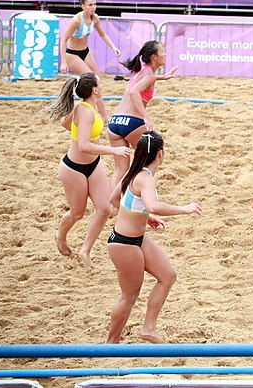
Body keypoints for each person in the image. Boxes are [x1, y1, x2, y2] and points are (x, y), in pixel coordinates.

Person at [106, 131, 203, 343]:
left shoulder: (134, 172)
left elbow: (115, 199)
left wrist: (145, 217)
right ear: (160, 154)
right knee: (129, 295)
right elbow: (153, 205)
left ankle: (149, 328)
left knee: (167, 275)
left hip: (137, 239)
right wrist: (184, 209)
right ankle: (110, 343)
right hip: (124, 243)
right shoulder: (146, 178)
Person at [46, 73, 132, 269]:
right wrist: (113, 150)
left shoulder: (88, 108)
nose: (102, 85)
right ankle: (60, 235)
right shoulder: (84, 110)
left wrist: (79, 133)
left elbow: (66, 124)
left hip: (93, 165)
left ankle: (85, 250)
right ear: (94, 90)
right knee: (77, 213)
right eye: (100, 83)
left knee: (104, 209)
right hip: (73, 168)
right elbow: (84, 146)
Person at [108, 41, 177, 196]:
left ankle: (113, 204)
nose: (165, 54)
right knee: (150, 160)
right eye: (162, 51)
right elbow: (134, 92)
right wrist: (146, 117)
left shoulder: (139, 71)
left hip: (115, 122)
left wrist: (161, 77)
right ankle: (142, 195)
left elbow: (145, 79)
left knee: (120, 169)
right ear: (154, 57)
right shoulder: (149, 76)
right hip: (132, 122)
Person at [59, 0, 122, 120]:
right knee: (93, 82)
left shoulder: (94, 18)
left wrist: (113, 47)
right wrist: (64, 62)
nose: (93, 7)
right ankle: (93, 115)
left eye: (94, 4)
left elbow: (103, 35)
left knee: (97, 81)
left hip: (85, 51)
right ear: (82, 6)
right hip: (73, 54)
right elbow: (63, 40)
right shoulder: (77, 20)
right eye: (90, 5)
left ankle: (104, 116)